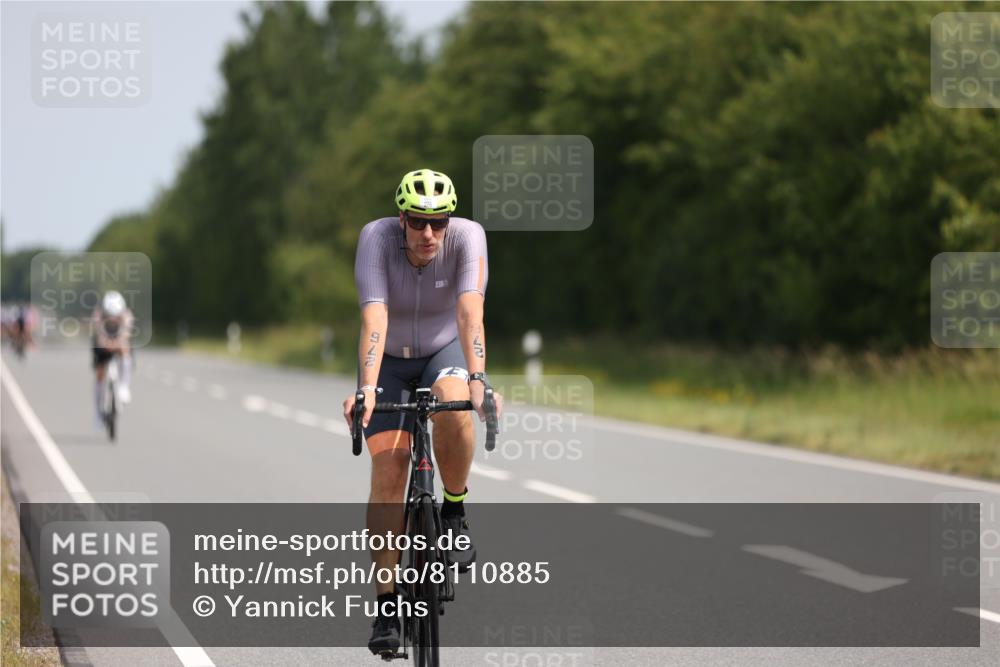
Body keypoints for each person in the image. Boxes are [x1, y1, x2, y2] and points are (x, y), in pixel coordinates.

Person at [342, 168, 503, 656]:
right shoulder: (376, 239)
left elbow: (469, 312)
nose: (429, 234)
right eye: (417, 222)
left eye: (439, 222)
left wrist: (478, 380)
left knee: (455, 409)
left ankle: (453, 510)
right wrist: (367, 389)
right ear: (401, 219)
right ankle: (387, 607)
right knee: (389, 469)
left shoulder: (469, 238)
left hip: (442, 350)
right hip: (388, 360)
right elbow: (375, 317)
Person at [92, 291, 134, 422]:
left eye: (115, 316)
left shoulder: (127, 316)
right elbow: (99, 336)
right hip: (103, 342)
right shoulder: (98, 315)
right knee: (99, 373)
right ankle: (98, 411)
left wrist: (117, 344)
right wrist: (106, 345)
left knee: (125, 349)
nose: (112, 319)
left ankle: (124, 386)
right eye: (109, 315)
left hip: (119, 341)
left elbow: (126, 335)